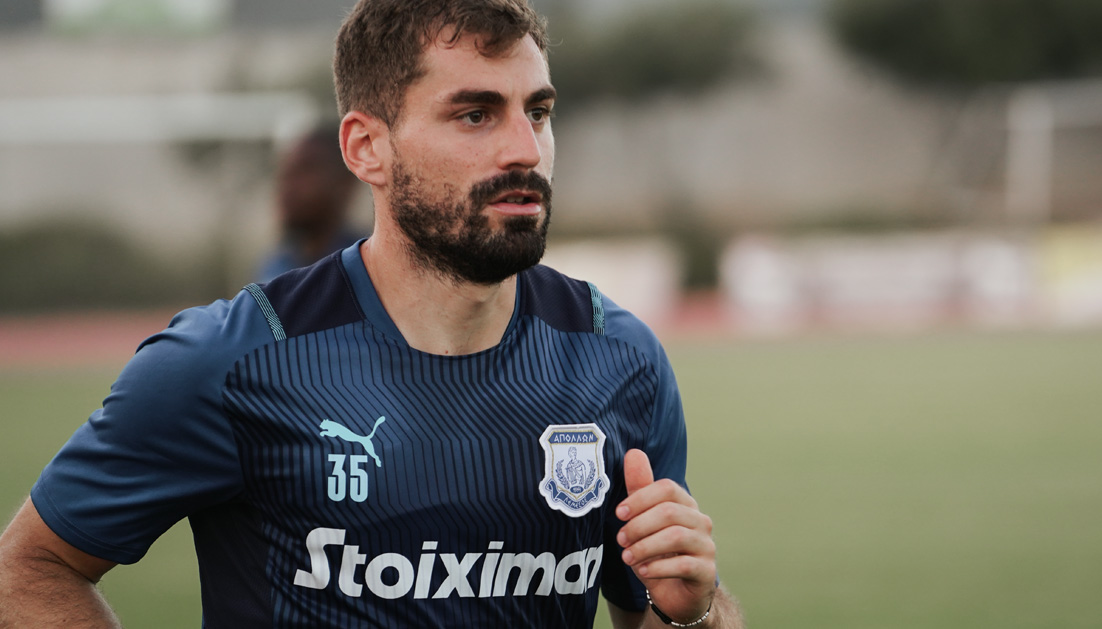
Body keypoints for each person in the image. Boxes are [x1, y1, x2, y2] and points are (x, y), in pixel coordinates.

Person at [0, 0, 745, 627]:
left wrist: (696, 611)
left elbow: (656, 612)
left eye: (539, 112)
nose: (526, 149)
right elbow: (30, 570)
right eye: (475, 114)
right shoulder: (230, 362)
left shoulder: (620, 359)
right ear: (366, 148)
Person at [257, 121, 364, 282]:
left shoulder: (365, 268)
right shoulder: (274, 267)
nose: (289, 186)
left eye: (306, 170)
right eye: (286, 173)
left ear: (345, 183)